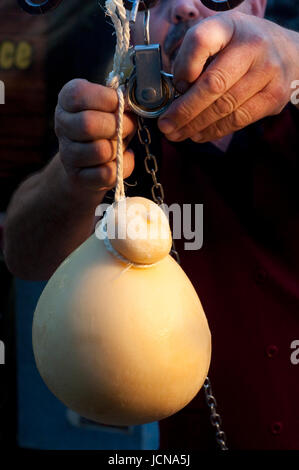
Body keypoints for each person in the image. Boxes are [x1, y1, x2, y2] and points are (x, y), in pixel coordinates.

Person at [3, 0, 299, 449]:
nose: (183, 6)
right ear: (133, 27)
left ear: (256, 4)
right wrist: (72, 176)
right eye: (156, 1)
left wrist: (295, 54)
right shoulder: (119, 128)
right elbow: (23, 254)